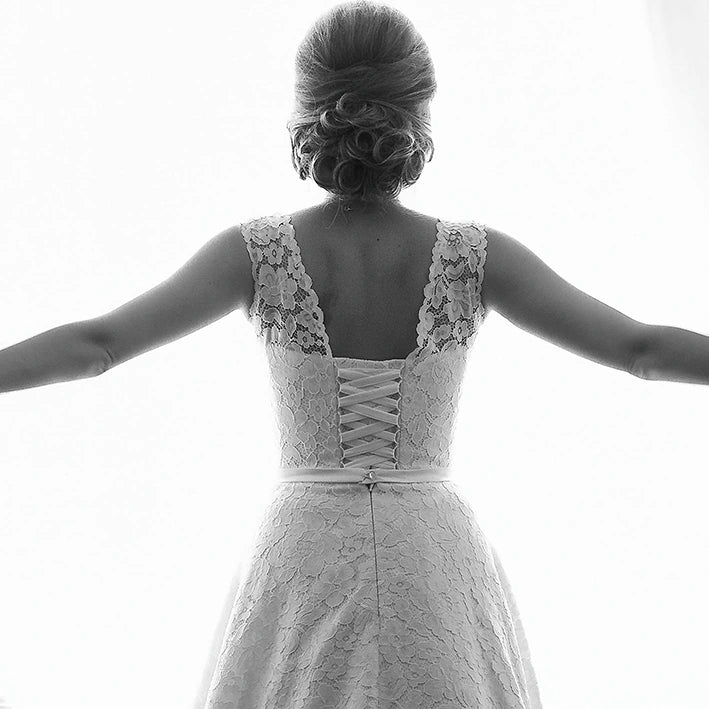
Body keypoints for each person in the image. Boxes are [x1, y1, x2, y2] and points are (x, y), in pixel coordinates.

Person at [3, 1, 709, 708]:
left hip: (305, 551)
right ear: (418, 114)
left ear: (309, 112)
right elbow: (640, 349)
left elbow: (97, 345)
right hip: (428, 555)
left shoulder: (254, 252)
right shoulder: (475, 254)